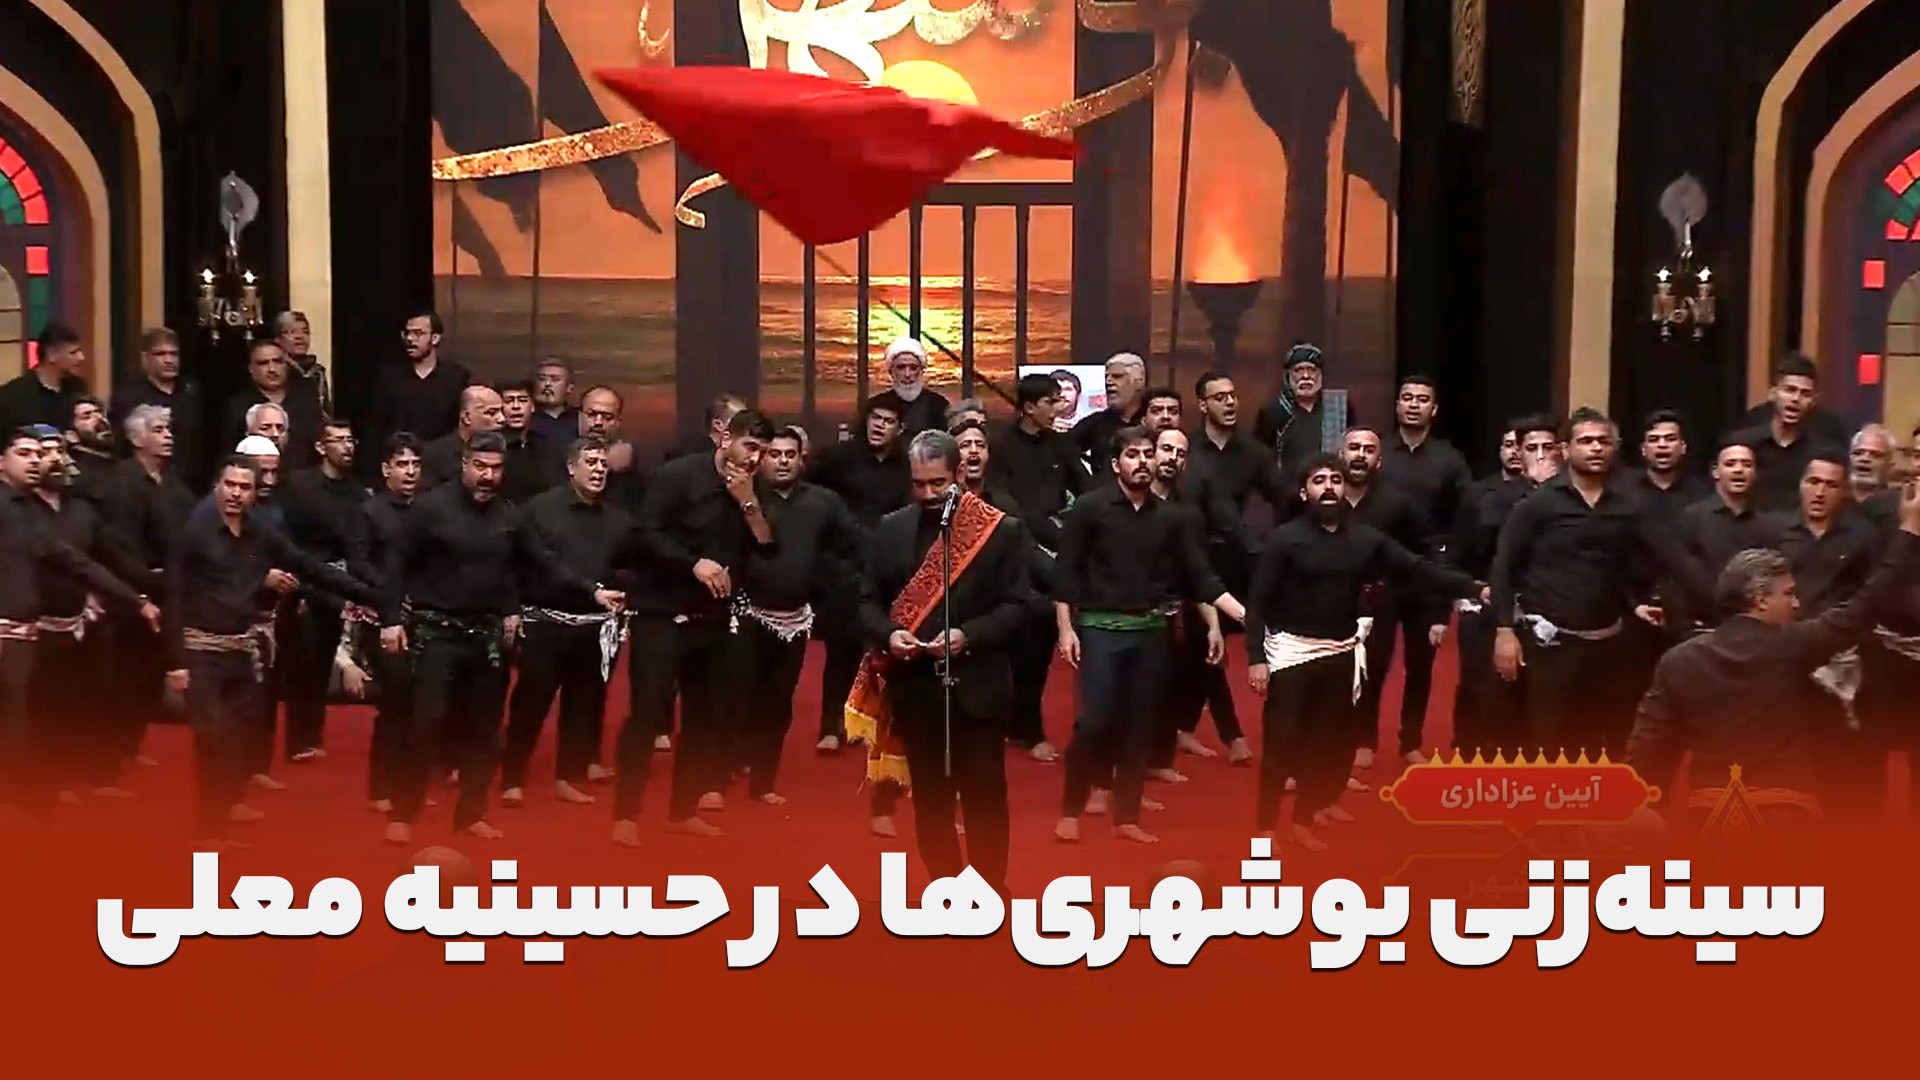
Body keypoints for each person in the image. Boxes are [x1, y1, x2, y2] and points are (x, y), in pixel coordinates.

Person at [1626, 482, 1920, 826]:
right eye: (1789, 593)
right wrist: (1909, 530)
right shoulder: (1794, 645)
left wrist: (1643, 815)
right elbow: (1868, 602)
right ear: (1760, 599)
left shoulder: (1677, 661)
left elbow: (1645, 752)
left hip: (1708, 818)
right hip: (1786, 815)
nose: (1797, 604)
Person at [378, 431, 623, 846]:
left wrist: (592, 591)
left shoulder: (510, 515)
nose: (488, 476)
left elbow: (540, 562)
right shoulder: (430, 508)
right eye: (480, 467)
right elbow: (396, 563)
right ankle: (404, 812)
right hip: (436, 632)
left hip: (487, 636)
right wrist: (389, 620)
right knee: (426, 722)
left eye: (495, 469)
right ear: (464, 464)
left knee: (485, 729)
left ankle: (471, 814)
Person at [1246, 452, 1482, 851]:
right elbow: (1258, 603)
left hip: (1341, 653)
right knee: (1280, 746)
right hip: (1291, 654)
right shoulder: (1283, 540)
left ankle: (1303, 820)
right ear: (1304, 493)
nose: (1328, 487)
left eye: (1335, 480)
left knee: (1325, 745)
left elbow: (1418, 568)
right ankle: (1265, 831)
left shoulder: (1366, 539)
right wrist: (1256, 657)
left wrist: (1474, 588)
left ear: (1345, 489)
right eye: (1318, 480)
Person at [849, 429, 1036, 896]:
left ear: (960, 475)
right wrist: (889, 634)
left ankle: (989, 892)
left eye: (938, 483)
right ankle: (945, 891)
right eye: (919, 484)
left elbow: (1019, 606)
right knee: (931, 801)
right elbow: (867, 601)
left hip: (977, 689)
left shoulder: (1001, 530)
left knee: (984, 799)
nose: (929, 494)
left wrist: (968, 636)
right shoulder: (891, 528)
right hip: (916, 690)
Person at [165, 454, 375, 847]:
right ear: (217, 486)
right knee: (212, 739)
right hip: (200, 649)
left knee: (241, 738)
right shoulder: (195, 529)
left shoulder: (260, 532)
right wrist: (176, 661)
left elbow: (308, 566)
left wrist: (370, 594)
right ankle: (208, 831)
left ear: (255, 492)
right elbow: (173, 595)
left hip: (241, 649)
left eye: (244, 487)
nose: (236, 493)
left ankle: (224, 810)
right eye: (230, 485)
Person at [1053, 425, 1246, 846]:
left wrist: (1245, 616)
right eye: (1133, 455)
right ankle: (1070, 808)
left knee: (1141, 725)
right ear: (1115, 464)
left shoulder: (1176, 518)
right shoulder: (1090, 508)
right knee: (1095, 722)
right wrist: (1066, 629)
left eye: (1147, 454)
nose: (1143, 462)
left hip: (1152, 632)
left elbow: (1200, 576)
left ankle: (1127, 816)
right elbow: (1065, 574)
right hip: (1100, 629)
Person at [1490, 408, 1712, 759]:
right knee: (1547, 747)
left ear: (1614, 448)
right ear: (1565, 450)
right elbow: (1503, 568)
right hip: (1550, 645)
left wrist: (1729, 599)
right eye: (1586, 441)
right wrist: (1504, 632)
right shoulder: (1538, 505)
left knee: (1599, 746)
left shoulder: (1630, 506)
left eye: (1603, 441)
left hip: (1609, 647)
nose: (1595, 448)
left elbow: (1677, 560)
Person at [611, 410, 775, 846]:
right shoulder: (678, 475)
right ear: (725, 439)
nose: (755, 459)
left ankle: (682, 812)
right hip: (661, 614)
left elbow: (768, 546)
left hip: (714, 620)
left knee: (704, 719)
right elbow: (643, 533)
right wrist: (692, 564)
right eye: (750, 447)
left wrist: (747, 501)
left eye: (762, 451)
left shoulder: (757, 488)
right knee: (647, 714)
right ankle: (626, 816)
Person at [0, 428, 156, 821]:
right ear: (1, 462)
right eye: (24, 453)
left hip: (25, 639)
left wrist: (136, 600)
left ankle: (30, 810)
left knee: (24, 730)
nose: (35, 460)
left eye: (38, 454)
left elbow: (75, 562)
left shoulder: (25, 512)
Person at [727, 425, 860, 805]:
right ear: (761, 458)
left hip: (795, 619)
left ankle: (763, 783)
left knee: (779, 702)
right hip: (745, 614)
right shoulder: (742, 496)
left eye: (790, 454)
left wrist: (828, 579)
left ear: (802, 459)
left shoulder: (824, 501)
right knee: (737, 697)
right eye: (775, 454)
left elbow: (853, 545)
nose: (783, 461)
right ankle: (724, 771)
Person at [500, 437, 634, 809]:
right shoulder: (539, 510)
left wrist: (625, 593)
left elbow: (627, 567)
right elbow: (527, 563)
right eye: (591, 462)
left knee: (583, 705)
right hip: (546, 621)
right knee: (531, 703)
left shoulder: (619, 520)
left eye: (603, 463)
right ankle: (512, 778)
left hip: (595, 626)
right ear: (571, 467)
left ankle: (568, 776)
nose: (598, 470)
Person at [987, 372, 1089, 760]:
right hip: (1015, 549)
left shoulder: (1061, 444)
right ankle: (1020, 725)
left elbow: (1087, 490)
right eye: (1051, 401)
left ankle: (1025, 724)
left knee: (1040, 644)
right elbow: (1008, 506)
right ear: (1030, 408)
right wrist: (1051, 537)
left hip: (1056, 548)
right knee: (1015, 645)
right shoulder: (1002, 447)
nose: (1058, 407)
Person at [1446, 416, 1559, 759]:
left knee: (1534, 703)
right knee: (1483, 694)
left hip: (1550, 612)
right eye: (1530, 448)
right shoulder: (1486, 497)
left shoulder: (1573, 496)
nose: (1539, 456)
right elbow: (1458, 555)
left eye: (1547, 448)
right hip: (1490, 608)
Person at [807, 396, 910, 752]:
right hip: (844, 566)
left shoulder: (907, 467)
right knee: (842, 651)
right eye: (874, 418)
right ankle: (830, 727)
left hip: (890, 566)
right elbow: (808, 493)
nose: (879, 425)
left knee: (888, 651)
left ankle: (876, 726)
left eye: (888, 421)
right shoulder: (838, 457)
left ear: (900, 429)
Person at [276, 419, 368, 762]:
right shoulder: (298, 485)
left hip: (338, 585)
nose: (347, 446)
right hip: (302, 583)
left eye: (350, 440)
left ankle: (312, 737)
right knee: (302, 663)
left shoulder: (358, 492)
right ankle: (298, 741)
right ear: (320, 447)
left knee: (322, 661)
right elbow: (283, 536)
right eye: (339, 440)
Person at [345, 433, 423, 815]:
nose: (410, 472)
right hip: (379, 618)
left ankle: (409, 784)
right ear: (385, 469)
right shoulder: (369, 511)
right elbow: (357, 563)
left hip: (422, 617)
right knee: (395, 702)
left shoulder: (427, 509)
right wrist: (391, 592)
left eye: (415, 464)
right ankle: (382, 788)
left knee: (417, 705)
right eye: (402, 464)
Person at [365, 310, 471, 480]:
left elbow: (462, 427)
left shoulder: (455, 377)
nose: (410, 339)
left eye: (418, 333)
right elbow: (375, 428)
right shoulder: (390, 377)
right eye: (407, 333)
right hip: (398, 467)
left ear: (435, 338)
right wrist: (371, 477)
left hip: (443, 470)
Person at [1730, 354, 1842, 513]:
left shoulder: (1823, 451)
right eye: (1790, 390)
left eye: (1805, 393)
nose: (1796, 399)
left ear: (1813, 401)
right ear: (1773, 392)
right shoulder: (1743, 444)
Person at [108, 328, 207, 488]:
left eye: (174, 354)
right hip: (145, 484)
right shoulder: (128, 396)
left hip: (189, 484)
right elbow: (120, 446)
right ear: (145, 358)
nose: (169, 360)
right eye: (161, 354)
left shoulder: (191, 391)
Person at [1254, 343, 1353, 479]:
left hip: (1330, 484)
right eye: (1298, 370)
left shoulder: (1337, 407)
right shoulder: (1274, 411)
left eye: (1312, 370)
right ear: (1287, 376)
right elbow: (1261, 457)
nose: (1306, 376)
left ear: (1321, 375)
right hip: (1287, 487)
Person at [223, 338, 323, 471]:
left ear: (287, 365)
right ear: (251, 369)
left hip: (304, 478)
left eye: (278, 361)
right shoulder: (237, 406)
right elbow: (228, 455)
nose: (272, 369)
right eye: (263, 363)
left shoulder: (306, 397)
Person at [0, 322, 88, 437]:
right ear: (51, 355)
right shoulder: (12, 396)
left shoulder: (78, 388)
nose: (81, 358)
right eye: (73, 353)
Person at [1071, 353, 1147, 476]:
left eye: (1117, 376)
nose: (1108, 381)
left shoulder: (1153, 421)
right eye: (1106, 377)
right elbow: (1063, 451)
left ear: (1139, 382)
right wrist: (1086, 483)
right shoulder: (1095, 423)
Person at [420, 385, 505, 489]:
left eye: (502, 411)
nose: (502, 419)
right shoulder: (434, 455)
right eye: (491, 413)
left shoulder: (507, 451)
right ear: (467, 417)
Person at [869, 338, 951, 438]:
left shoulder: (939, 404)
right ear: (891, 371)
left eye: (913, 368)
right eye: (901, 367)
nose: (907, 374)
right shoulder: (876, 404)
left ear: (921, 370)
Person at [273, 311, 332, 420]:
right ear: (277, 339)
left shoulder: (317, 372)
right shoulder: (276, 370)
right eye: (292, 332)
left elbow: (325, 411)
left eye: (305, 332)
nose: (300, 336)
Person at [530, 359, 580, 446]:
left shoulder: (579, 419)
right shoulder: (526, 418)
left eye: (555, 380)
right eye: (542, 379)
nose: (547, 384)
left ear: (569, 387)